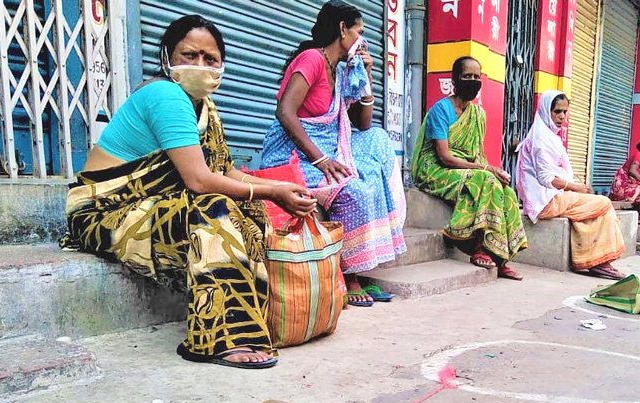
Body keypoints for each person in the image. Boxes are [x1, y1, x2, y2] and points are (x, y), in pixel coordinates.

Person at [63, 15, 317, 369]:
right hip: (104, 211)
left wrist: (276, 188)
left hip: (154, 207)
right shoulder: (165, 95)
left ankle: (251, 319)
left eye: (210, 59)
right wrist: (271, 193)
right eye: (189, 54)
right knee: (212, 207)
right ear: (167, 58)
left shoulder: (205, 108)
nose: (199, 65)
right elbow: (199, 180)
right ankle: (219, 337)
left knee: (247, 209)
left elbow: (226, 171)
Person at [261, 0, 407, 306]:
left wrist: (365, 74)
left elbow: (362, 123)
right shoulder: (312, 58)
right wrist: (321, 159)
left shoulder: (340, 70)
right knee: (353, 189)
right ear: (342, 29)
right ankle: (351, 276)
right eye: (359, 32)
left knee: (376, 149)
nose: (362, 40)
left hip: (329, 145)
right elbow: (285, 112)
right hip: (294, 151)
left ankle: (363, 270)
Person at [411, 56, 527, 280]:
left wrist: (492, 170)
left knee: (506, 190)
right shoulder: (441, 110)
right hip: (434, 169)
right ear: (455, 80)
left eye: (476, 77)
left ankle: (501, 257)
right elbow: (444, 157)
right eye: (467, 76)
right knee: (486, 180)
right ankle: (478, 248)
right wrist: (485, 169)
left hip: (463, 168)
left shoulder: (477, 114)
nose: (472, 81)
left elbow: (476, 154)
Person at [514, 91, 626, 279]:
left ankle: (595, 260)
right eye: (557, 111)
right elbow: (546, 178)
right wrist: (576, 188)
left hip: (551, 197)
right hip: (546, 202)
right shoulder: (541, 139)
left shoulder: (547, 134)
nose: (562, 117)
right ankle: (600, 263)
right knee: (604, 203)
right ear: (545, 111)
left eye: (565, 112)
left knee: (593, 207)